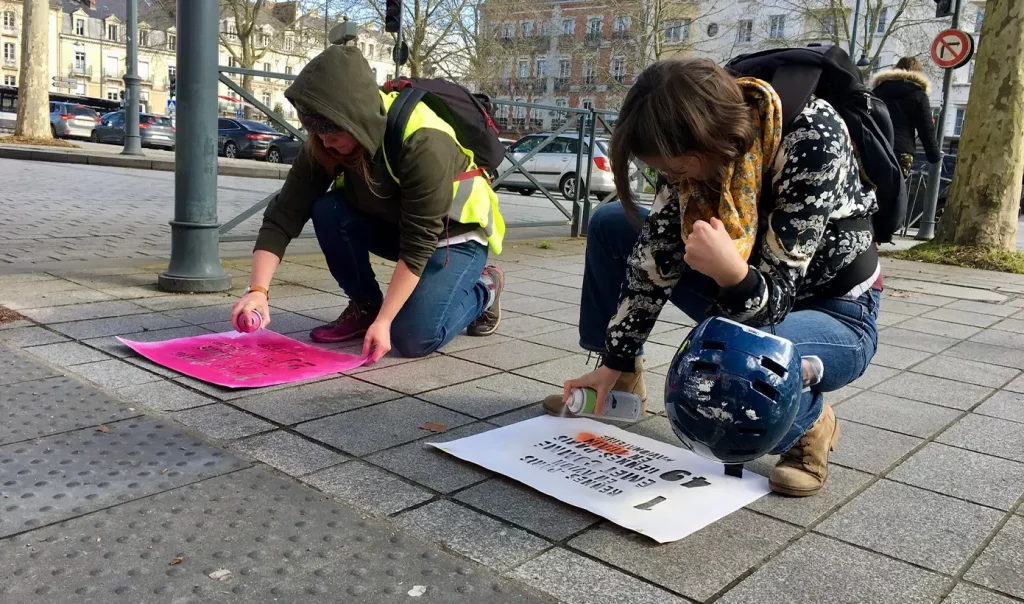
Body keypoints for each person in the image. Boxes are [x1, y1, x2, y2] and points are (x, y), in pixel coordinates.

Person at [544, 59, 882, 497]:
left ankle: (809, 422)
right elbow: (653, 262)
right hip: (739, 293)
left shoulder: (812, 136)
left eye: (679, 171)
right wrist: (615, 359)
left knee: (730, 368)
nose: (673, 180)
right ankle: (622, 384)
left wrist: (731, 272)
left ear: (705, 140)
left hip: (834, 311)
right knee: (614, 225)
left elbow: (778, 297)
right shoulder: (695, 154)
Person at [230, 46, 506, 362]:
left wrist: (386, 322)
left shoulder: (424, 140)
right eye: (315, 131)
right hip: (400, 228)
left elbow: (419, 243)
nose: (324, 142)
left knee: (413, 337)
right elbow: (284, 214)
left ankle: (486, 286)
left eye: (332, 131)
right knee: (328, 209)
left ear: (356, 117)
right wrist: (258, 291)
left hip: (454, 237)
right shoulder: (324, 141)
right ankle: (365, 307)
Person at [872, 56, 941, 176]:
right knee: (896, 190)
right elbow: (925, 128)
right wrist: (934, 156)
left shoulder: (877, 92)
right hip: (902, 151)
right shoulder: (918, 94)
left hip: (875, 146)